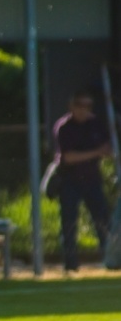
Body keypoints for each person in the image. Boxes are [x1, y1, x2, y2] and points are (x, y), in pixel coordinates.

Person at [53, 89, 111, 272]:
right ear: (71, 106)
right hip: (70, 181)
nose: (84, 109)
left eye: (88, 105)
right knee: (69, 223)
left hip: (93, 180)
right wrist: (95, 153)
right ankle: (70, 264)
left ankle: (110, 259)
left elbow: (107, 149)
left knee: (102, 220)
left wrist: (100, 152)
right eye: (80, 105)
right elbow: (69, 157)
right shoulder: (64, 127)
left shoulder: (96, 124)